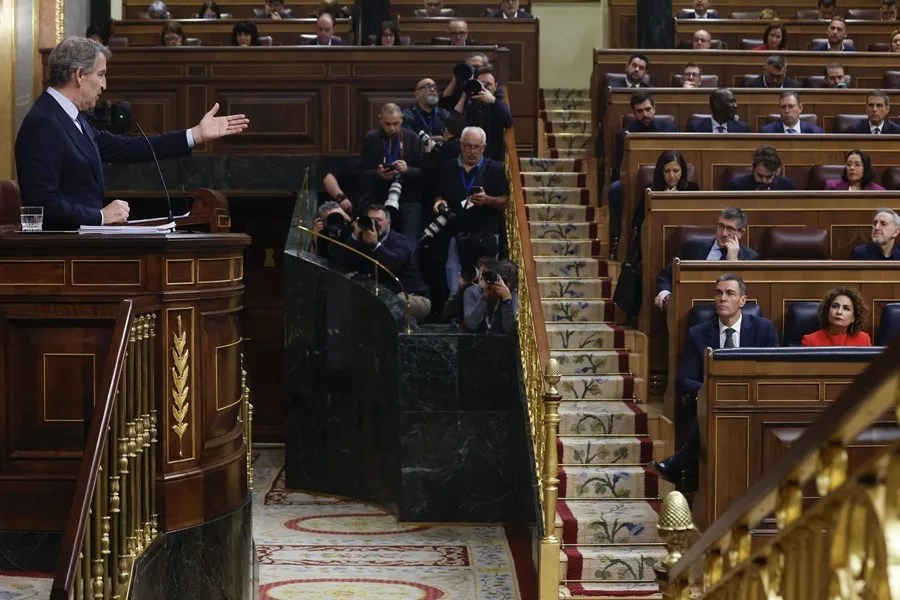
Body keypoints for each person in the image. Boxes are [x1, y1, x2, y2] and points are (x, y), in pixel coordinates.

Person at [15, 36, 249, 230]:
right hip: (63, 256)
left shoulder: (74, 119)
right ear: (79, 75)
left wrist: (195, 134)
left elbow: (129, 147)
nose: (104, 85)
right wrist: (100, 216)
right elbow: (40, 205)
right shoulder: (43, 123)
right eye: (100, 74)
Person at [650, 274, 779, 489]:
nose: (722, 298)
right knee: (713, 402)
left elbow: (774, 372)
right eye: (718, 293)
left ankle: (679, 461)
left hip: (755, 401)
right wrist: (714, 390)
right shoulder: (699, 333)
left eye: (730, 293)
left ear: (743, 301)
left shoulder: (763, 329)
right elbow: (684, 379)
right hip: (712, 403)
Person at [432, 126, 509, 296]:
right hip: (456, 233)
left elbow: (505, 201)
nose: (472, 151)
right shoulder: (449, 168)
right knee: (454, 279)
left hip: (485, 234)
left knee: (487, 282)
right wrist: (439, 203)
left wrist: (488, 200)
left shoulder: (494, 169)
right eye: (468, 146)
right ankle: (455, 308)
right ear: (461, 146)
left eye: (476, 147)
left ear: (483, 148)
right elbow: (439, 195)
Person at [328, 204, 432, 322]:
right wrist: (355, 237)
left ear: (389, 223)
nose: (375, 224)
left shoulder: (400, 241)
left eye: (379, 220)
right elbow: (341, 263)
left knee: (392, 303)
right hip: (379, 298)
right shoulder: (362, 241)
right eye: (371, 220)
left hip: (412, 297)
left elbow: (393, 265)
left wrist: (375, 245)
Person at [654, 208, 758, 309]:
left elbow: (744, 294)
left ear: (741, 232)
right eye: (721, 226)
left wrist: (733, 261)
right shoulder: (693, 246)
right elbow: (667, 275)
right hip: (688, 306)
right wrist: (664, 292)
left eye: (730, 229)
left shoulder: (749, 257)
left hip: (725, 310)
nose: (723, 233)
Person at [607, 92, 679, 239]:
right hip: (633, 180)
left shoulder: (669, 129)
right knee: (615, 189)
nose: (644, 114)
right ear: (634, 113)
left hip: (667, 176)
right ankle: (627, 235)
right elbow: (620, 166)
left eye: (647, 109)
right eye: (639, 111)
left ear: (654, 109)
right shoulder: (624, 134)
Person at [359, 103, 424, 243]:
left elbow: (424, 172)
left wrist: (408, 170)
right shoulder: (371, 138)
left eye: (395, 123)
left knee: (409, 240)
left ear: (401, 120)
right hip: (379, 197)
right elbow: (362, 172)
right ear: (380, 120)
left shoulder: (412, 138)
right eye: (387, 124)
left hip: (407, 197)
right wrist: (378, 174)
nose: (392, 128)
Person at [631, 149, 699, 230]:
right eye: (667, 171)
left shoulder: (692, 189)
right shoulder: (651, 191)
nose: (671, 175)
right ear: (661, 172)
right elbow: (637, 223)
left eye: (676, 171)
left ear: (682, 172)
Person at [457, 67, 514, 162]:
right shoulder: (471, 105)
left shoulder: (498, 104)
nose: (485, 87)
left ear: (495, 86)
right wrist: (465, 95)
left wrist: (493, 101)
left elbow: (508, 121)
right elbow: (456, 124)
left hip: (492, 157)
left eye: (489, 84)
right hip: (471, 154)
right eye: (482, 84)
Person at [802, 287, 872, 346]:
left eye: (846, 308)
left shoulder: (864, 339)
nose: (839, 312)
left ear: (853, 317)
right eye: (834, 306)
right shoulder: (810, 341)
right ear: (827, 311)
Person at [463, 259, 518, 333]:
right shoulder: (472, 292)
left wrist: (507, 301)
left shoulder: (510, 294)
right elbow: (471, 324)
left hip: (501, 339)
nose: (502, 284)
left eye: (507, 281)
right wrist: (484, 297)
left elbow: (509, 328)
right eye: (501, 280)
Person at [725, 145, 796, 191]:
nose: (764, 181)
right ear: (753, 168)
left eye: (769, 177)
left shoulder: (787, 186)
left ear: (776, 172)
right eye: (760, 176)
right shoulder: (736, 186)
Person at [760, 91, 824, 134]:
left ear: (800, 108)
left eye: (791, 106)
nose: (787, 110)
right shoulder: (767, 132)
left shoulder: (815, 132)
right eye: (783, 107)